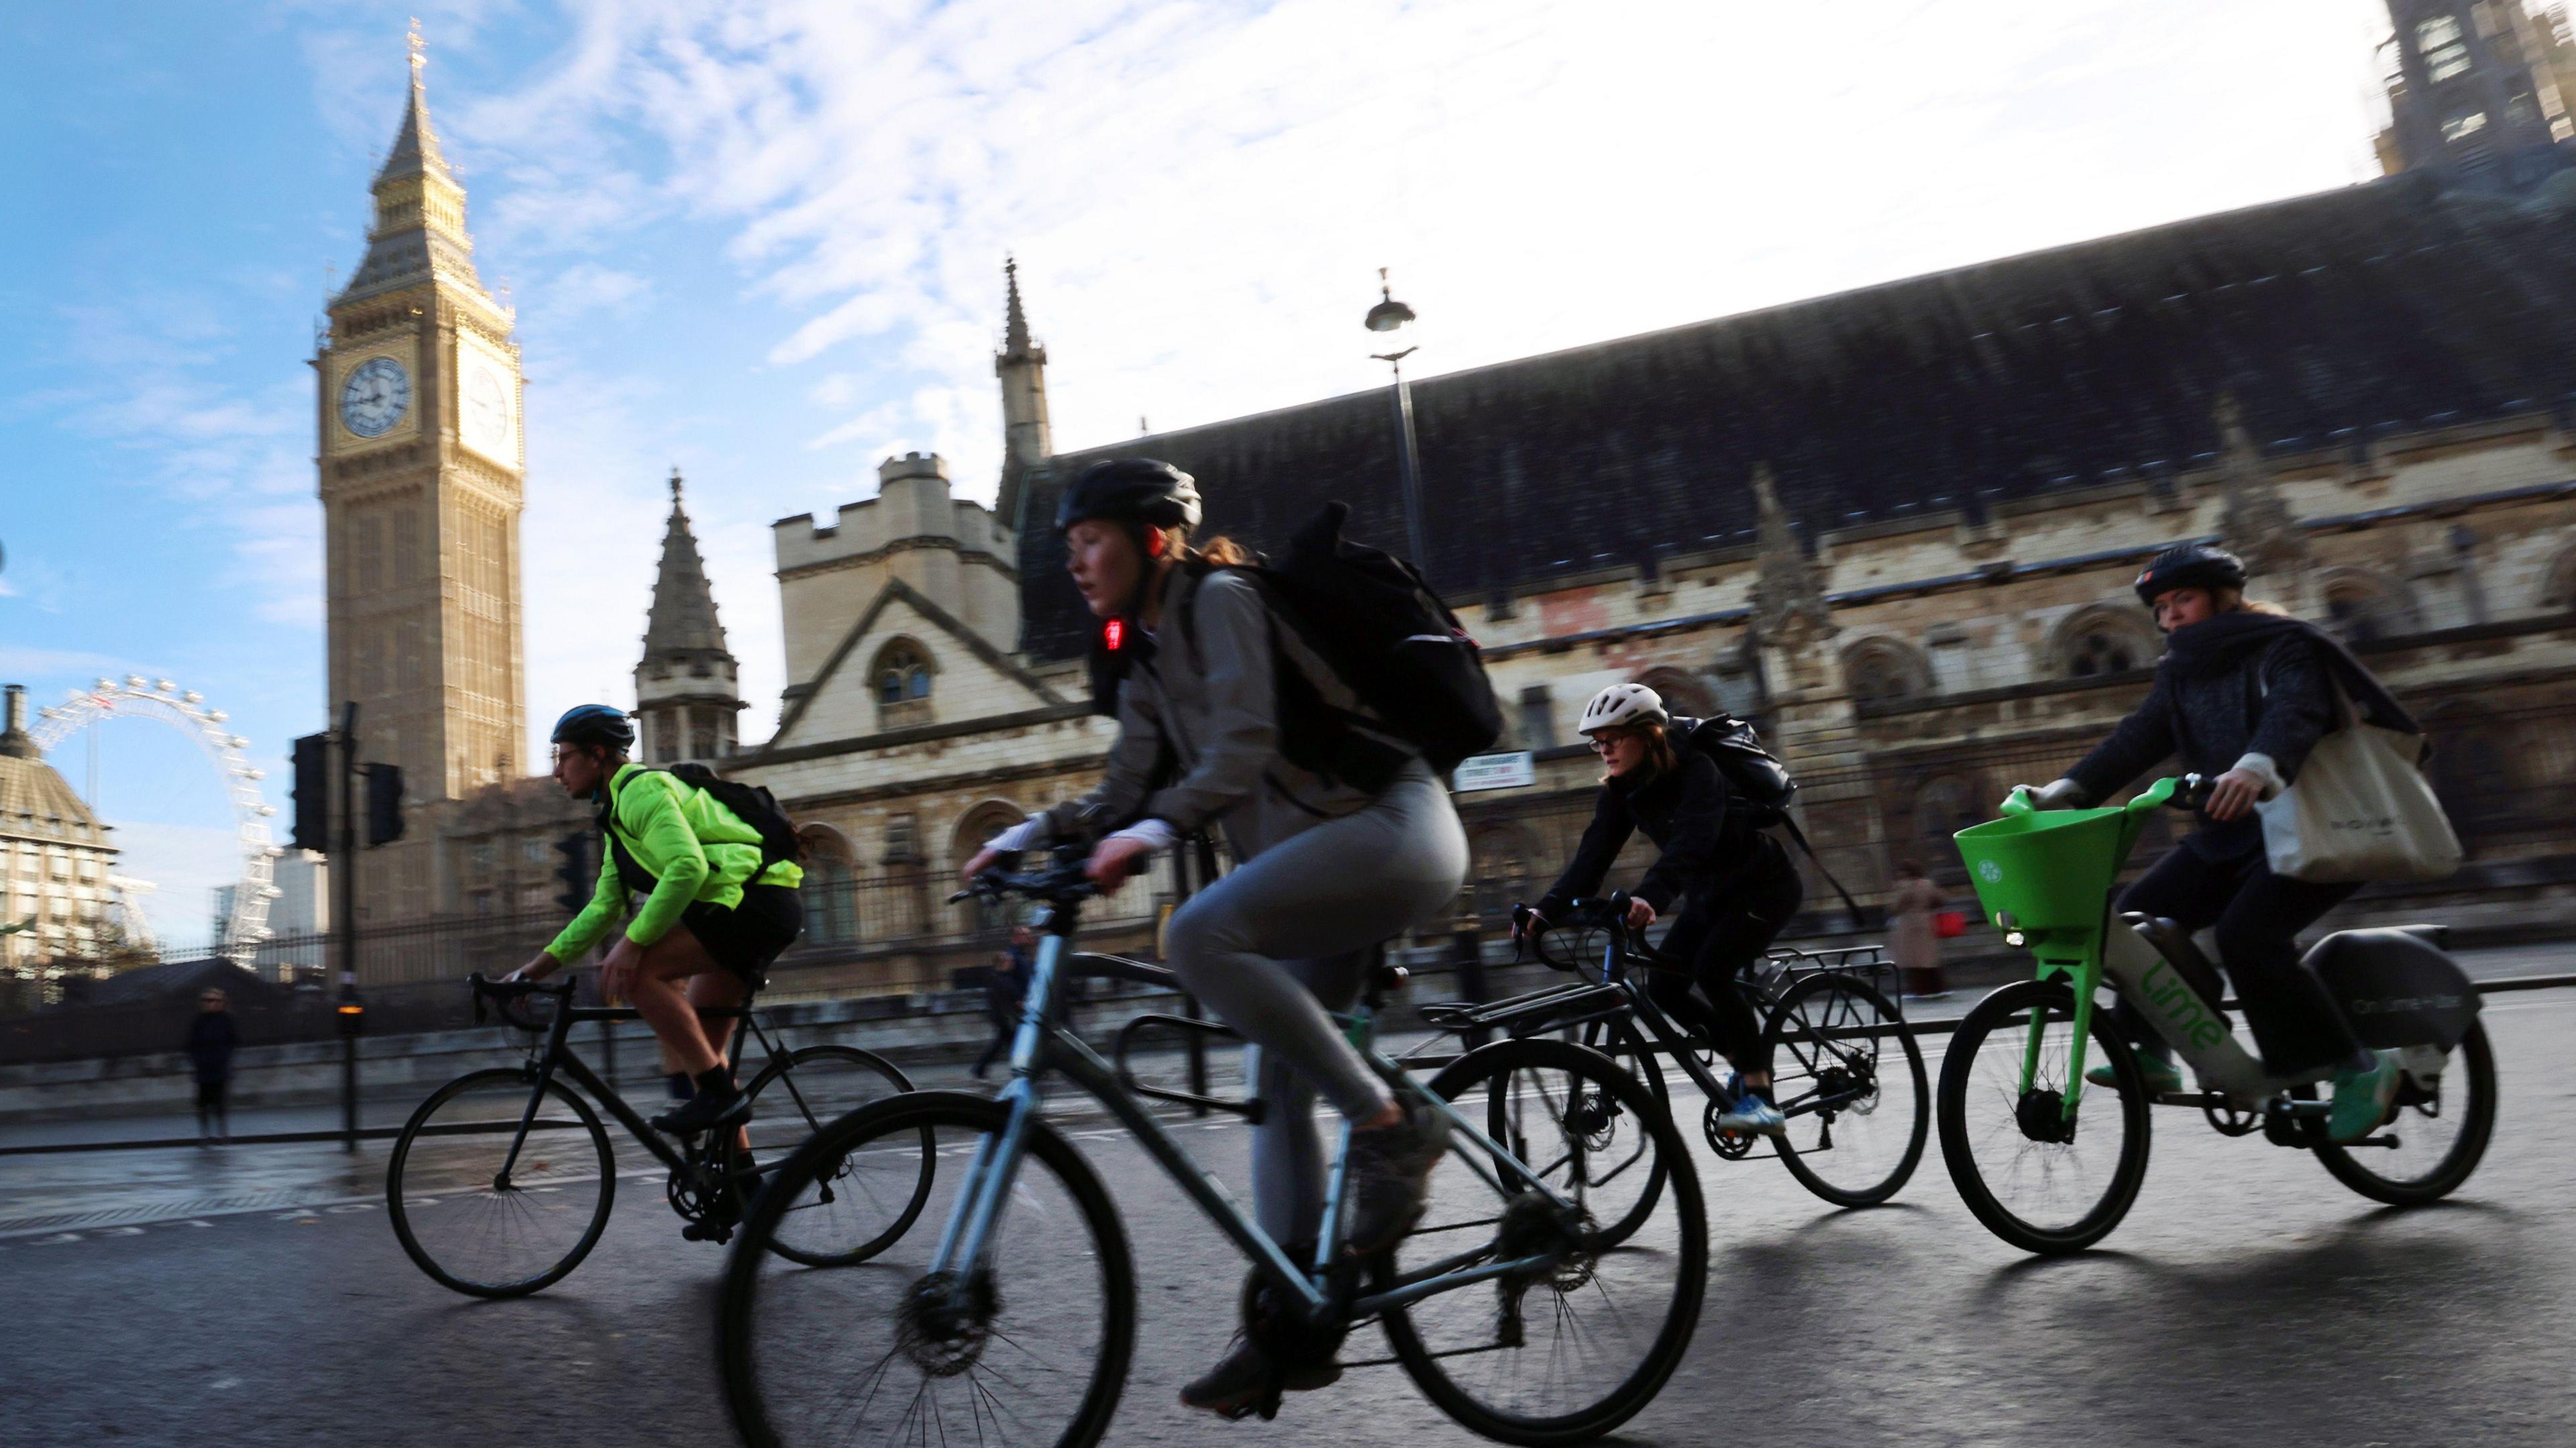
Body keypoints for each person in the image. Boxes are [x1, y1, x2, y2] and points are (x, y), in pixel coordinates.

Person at [960, 457, 1466, 1415]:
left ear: (1154, 539)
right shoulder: (1148, 653)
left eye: (1092, 540)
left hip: (1394, 827)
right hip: (1320, 866)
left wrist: (1151, 834)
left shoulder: (1226, 596)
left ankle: (1393, 1126)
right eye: (1068, 547)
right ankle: (1295, 1322)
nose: (1076, 560)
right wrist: (1030, 832)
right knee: (1275, 1076)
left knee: (1196, 934)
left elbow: (1238, 744)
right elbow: (1124, 786)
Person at [2009, 542, 2408, 1144]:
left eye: (2183, 599)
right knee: (2133, 921)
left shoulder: (2283, 644)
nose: (2171, 615)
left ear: (2224, 599)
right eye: (2162, 606)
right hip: (2228, 838)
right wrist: (2064, 791)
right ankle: (2153, 1047)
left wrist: (2257, 766)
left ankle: (2362, 1068)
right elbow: (2139, 738)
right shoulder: (2181, 671)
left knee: (2247, 935)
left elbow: (2296, 709)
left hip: (2309, 828)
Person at [1519, 683, 1805, 1137]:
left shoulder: (1698, 769)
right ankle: (1744, 1061)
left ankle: (1762, 1100)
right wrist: (1547, 909)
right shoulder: (1621, 789)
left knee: (1714, 971)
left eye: (1612, 738)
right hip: (1708, 895)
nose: (1603, 749)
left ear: (1648, 735)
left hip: (1762, 888)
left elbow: (1692, 842)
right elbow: (1592, 856)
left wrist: (1650, 896)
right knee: (1665, 986)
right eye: (1597, 741)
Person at [509, 705, 806, 1142]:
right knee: (705, 1058)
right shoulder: (618, 822)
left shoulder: (640, 792)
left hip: (753, 906)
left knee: (638, 972)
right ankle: (744, 1184)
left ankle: (720, 1099)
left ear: (596, 753)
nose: (557, 771)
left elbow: (687, 866)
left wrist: (632, 943)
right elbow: (602, 909)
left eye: (562, 755)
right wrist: (530, 973)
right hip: (745, 908)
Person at [971, 924, 1037, 1079]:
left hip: (1017, 1006)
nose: (1029, 938)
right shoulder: (1012, 956)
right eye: (1024, 935)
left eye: (1028, 934)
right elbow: (1006, 983)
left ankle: (982, 1068)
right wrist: (1018, 1001)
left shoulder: (1022, 955)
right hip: (1012, 1008)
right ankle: (1022, 1069)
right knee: (1012, 1040)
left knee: (1007, 1040)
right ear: (1015, 938)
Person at [1886, 860, 1949, 999]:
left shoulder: (1902, 886)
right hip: (1927, 922)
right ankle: (1938, 988)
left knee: (1912, 960)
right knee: (1929, 958)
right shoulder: (1927, 884)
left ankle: (1920, 990)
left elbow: (1895, 906)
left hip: (1907, 925)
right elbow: (1941, 900)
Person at [186, 987, 239, 1145]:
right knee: (203, 1104)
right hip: (203, 1069)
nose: (209, 1004)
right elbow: (190, 1044)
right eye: (206, 1000)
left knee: (220, 1103)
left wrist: (225, 1057)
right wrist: (196, 1060)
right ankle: (205, 1135)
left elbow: (234, 1041)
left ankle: (222, 1134)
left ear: (221, 1002)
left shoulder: (227, 1020)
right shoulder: (198, 1021)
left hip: (220, 1068)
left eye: (213, 1000)